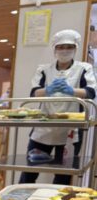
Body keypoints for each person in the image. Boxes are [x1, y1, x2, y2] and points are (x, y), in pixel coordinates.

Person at [19, 29, 96, 185]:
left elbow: (90, 92)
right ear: (54, 49)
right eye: (60, 47)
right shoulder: (44, 70)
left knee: (63, 175)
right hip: (43, 128)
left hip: (70, 130)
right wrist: (48, 90)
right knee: (29, 171)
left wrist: (71, 91)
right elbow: (34, 92)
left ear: (75, 48)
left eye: (69, 47)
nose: (64, 51)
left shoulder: (83, 69)